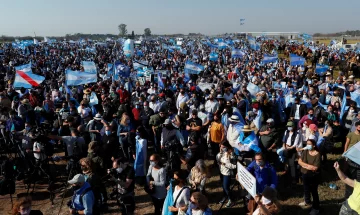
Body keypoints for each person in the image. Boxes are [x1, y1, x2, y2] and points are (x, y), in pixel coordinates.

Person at [298, 139, 321, 215]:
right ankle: (307, 201)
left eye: (309, 144)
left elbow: (315, 168)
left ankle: (316, 208)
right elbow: (299, 161)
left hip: (313, 176)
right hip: (304, 173)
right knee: (306, 188)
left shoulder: (318, 154)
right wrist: (308, 166)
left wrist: (304, 165)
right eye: (307, 144)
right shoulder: (305, 152)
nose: (308, 146)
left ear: (314, 145)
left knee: (314, 191)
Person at [216, 141, 237, 207]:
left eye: (223, 147)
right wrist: (220, 152)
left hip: (227, 173)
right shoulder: (222, 152)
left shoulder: (231, 154)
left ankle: (232, 200)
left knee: (226, 187)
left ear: (227, 146)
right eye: (221, 147)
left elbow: (235, 166)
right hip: (221, 171)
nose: (222, 148)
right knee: (223, 186)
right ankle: (225, 196)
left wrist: (225, 164)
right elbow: (217, 158)